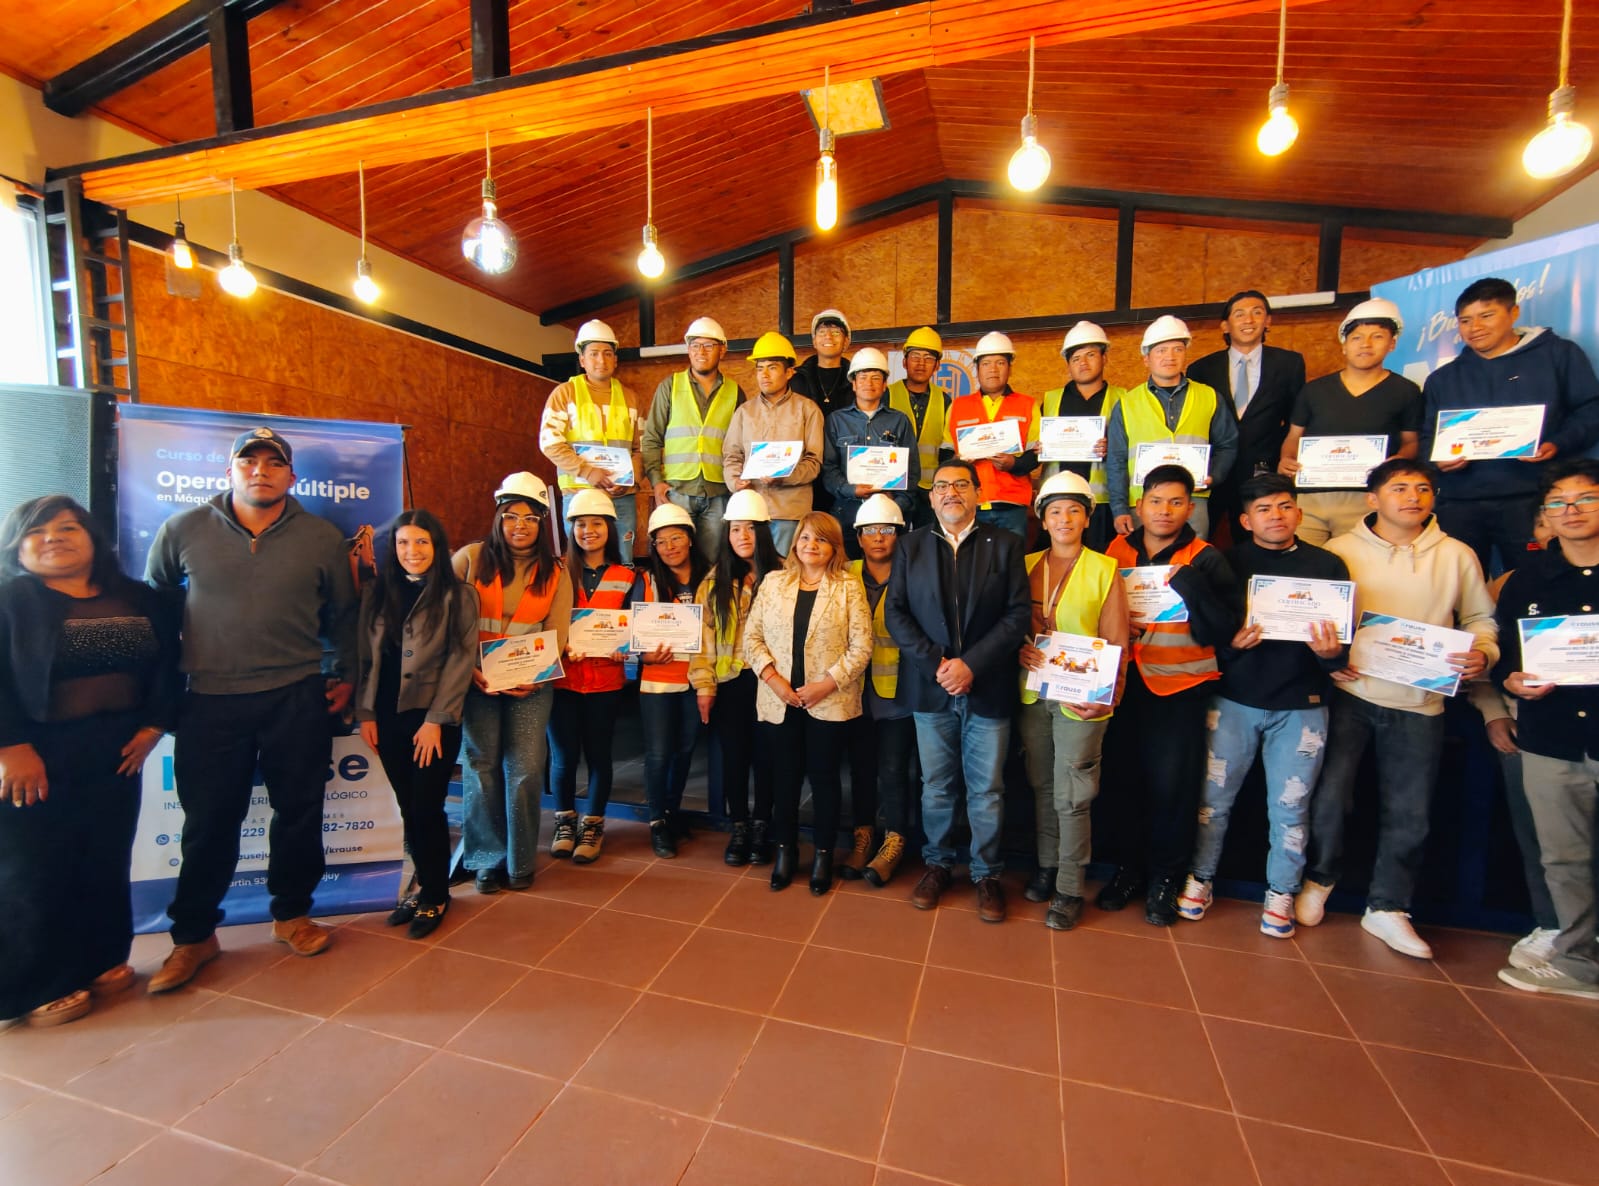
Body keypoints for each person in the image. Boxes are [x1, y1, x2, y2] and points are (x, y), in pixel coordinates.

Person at [146, 427, 358, 993]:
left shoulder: (322, 538)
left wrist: (345, 676)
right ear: (229, 472)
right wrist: (160, 696)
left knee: (299, 812)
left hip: (296, 694)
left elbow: (344, 615)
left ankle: (292, 915)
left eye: (273, 462)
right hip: (208, 700)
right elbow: (155, 609)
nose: (260, 470)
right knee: (209, 822)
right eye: (248, 461)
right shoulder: (182, 530)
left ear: (292, 476)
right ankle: (194, 936)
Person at [1297, 459, 1497, 959]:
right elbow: (1316, 620)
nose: (1413, 497)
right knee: (1330, 798)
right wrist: (1328, 661)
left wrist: (1484, 652)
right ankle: (1320, 878)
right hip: (1351, 694)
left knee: (1410, 811)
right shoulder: (1339, 552)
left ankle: (1388, 906)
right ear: (1373, 499)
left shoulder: (1456, 555)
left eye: (1423, 489)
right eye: (1400, 488)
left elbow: (1480, 617)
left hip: (1422, 701)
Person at [0, 497, 179, 1024]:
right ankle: (37, 986)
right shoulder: (11, 600)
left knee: (104, 855)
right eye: (37, 532)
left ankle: (100, 958)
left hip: (117, 748)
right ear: (17, 547)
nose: (53, 538)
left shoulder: (137, 597)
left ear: (92, 537)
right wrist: (10, 746)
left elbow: (169, 665)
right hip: (36, 751)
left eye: (67, 527)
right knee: (35, 867)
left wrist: (153, 726)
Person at [1174, 475, 1349, 940]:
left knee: (1291, 807)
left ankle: (1281, 891)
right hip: (1234, 700)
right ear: (1246, 520)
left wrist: (1332, 654)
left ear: (1299, 513)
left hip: (1303, 706)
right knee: (1212, 803)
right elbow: (1210, 633)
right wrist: (1231, 646)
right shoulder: (1226, 562)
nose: (1276, 516)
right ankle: (1201, 877)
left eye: (1285, 506)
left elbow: (1342, 644)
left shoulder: (1328, 565)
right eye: (1264, 509)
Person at [884, 459, 1030, 922]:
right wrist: (939, 665)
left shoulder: (1006, 545)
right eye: (942, 486)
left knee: (987, 789)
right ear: (931, 498)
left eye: (961, 484)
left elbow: (1017, 615)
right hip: (931, 689)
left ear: (977, 493)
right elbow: (896, 614)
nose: (951, 492)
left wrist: (972, 665)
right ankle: (938, 865)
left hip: (988, 686)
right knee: (937, 786)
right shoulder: (910, 546)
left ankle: (986, 874)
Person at [1098, 465, 1236, 925]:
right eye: (1156, 501)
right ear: (1139, 506)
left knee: (1172, 789)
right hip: (1125, 684)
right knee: (1124, 782)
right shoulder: (1118, 549)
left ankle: (1165, 879)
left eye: (1176, 502)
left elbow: (1224, 630)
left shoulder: (1206, 558)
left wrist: (1191, 587)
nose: (1164, 510)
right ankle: (1128, 870)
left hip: (1179, 689)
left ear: (1190, 508)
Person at [1491, 458, 1599, 997]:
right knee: (1563, 857)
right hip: (1550, 738)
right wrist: (1509, 680)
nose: (1571, 510)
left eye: (1585, 499)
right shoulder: (1526, 580)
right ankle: (1579, 963)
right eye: (1558, 502)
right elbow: (1506, 656)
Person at [1418, 277, 1599, 577]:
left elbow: (1591, 411)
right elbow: (1426, 438)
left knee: (1540, 580)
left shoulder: (1558, 355)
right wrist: (1437, 460)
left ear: (1513, 313)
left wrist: (1557, 443)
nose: (1475, 327)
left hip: (1532, 497)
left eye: (1486, 315)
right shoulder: (1442, 379)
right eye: (1465, 320)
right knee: (1457, 585)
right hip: (1461, 502)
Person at [1015, 473, 1129, 932]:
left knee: (1073, 795)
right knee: (1042, 785)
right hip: (1033, 693)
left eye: (1074, 511)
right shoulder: (1024, 565)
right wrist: (1018, 649)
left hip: (1083, 701)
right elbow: (1008, 624)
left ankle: (1069, 885)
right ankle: (1047, 865)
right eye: (1055, 511)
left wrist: (1106, 699)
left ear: (1086, 518)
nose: (1064, 519)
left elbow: (1117, 641)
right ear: (1043, 520)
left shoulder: (1104, 569)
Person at [356, 510, 478, 939]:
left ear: (437, 546)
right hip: (386, 716)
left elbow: (461, 660)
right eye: (404, 542)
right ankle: (424, 883)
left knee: (427, 806)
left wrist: (436, 720)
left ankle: (436, 895)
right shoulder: (376, 593)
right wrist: (366, 714)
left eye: (422, 542)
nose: (412, 551)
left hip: (433, 719)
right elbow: (367, 657)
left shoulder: (458, 594)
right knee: (408, 806)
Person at [453, 472, 573, 894]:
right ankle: (487, 859)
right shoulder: (469, 559)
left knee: (524, 769)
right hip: (477, 682)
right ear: (498, 518)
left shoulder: (555, 572)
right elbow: (444, 621)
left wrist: (531, 678)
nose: (520, 526)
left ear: (542, 522)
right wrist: (470, 670)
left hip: (530, 687)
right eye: (511, 516)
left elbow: (557, 633)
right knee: (481, 766)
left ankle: (520, 861)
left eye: (530, 518)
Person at [743, 512, 872, 894]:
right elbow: (752, 638)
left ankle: (823, 855)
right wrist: (774, 680)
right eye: (804, 538)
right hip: (780, 699)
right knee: (784, 778)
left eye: (821, 539)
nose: (810, 545)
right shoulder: (773, 582)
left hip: (828, 701)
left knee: (824, 779)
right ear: (795, 542)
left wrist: (825, 685)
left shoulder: (848, 586)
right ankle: (785, 852)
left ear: (834, 547)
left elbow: (861, 646)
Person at [1278, 298, 1423, 545]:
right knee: (1305, 561)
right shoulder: (1314, 390)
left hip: (1367, 498)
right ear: (1344, 345)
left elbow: (1411, 441)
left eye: (1377, 337)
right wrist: (1286, 459)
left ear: (1392, 343)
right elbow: (1293, 436)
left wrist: (1399, 459)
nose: (1366, 344)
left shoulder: (1406, 391)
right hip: (1310, 498)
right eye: (1356, 338)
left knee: (1359, 564)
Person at [690, 489, 782, 866]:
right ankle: (739, 826)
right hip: (730, 684)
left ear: (764, 531)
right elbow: (703, 640)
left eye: (750, 528)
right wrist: (704, 686)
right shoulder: (714, 582)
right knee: (734, 758)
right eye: (735, 529)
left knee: (767, 758)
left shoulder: (784, 576)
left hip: (771, 684)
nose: (742, 536)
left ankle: (762, 826)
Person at [547, 489, 634, 865]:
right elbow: (543, 621)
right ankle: (565, 822)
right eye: (580, 524)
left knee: (599, 755)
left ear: (609, 528)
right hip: (563, 681)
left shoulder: (627, 576)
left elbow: (633, 626)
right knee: (564, 757)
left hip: (604, 682)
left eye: (596, 523)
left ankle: (593, 825)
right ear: (571, 529)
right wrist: (560, 645)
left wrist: (624, 647)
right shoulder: (555, 571)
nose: (588, 531)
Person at [843, 494, 919, 886]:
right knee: (861, 767)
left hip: (898, 693)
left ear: (899, 535)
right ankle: (863, 836)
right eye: (869, 530)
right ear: (858, 537)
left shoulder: (913, 574)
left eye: (886, 529)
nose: (878, 537)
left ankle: (894, 841)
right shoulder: (845, 573)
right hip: (852, 692)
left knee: (893, 769)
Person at [1106, 315, 1239, 541]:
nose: (1170, 356)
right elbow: (1116, 460)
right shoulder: (1127, 403)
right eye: (1161, 350)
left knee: (1193, 559)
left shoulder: (1209, 397)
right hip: (1144, 502)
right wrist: (1119, 509)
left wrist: (1214, 476)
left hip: (1192, 501)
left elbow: (1228, 444)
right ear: (1146, 359)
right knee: (1147, 560)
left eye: (1177, 349)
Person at [1188, 290, 1307, 528]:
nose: (1249, 320)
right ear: (1225, 325)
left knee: (1260, 536)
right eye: (1239, 314)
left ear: (1268, 321)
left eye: (1257, 312)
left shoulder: (1289, 364)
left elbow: (1297, 419)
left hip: (1264, 471)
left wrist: (1287, 458)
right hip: (1212, 473)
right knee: (1200, 535)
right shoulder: (1201, 369)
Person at [633, 502, 711, 857]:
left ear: (690, 539)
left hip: (695, 679)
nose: (669, 547)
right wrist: (643, 655)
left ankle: (672, 812)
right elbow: (631, 630)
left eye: (676, 538)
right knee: (659, 753)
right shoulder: (647, 581)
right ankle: (657, 821)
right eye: (661, 542)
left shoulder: (711, 578)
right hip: (658, 682)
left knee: (683, 751)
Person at [641, 316, 745, 562]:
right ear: (688, 349)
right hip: (677, 491)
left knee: (713, 562)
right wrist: (656, 481)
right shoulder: (670, 386)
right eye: (695, 345)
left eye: (708, 345)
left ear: (722, 350)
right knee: (675, 559)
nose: (701, 351)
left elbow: (742, 444)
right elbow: (652, 438)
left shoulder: (735, 392)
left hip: (718, 492)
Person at [538, 319, 645, 558]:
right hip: (580, 495)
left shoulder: (631, 398)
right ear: (582, 360)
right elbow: (550, 443)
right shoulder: (565, 394)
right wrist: (587, 471)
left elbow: (642, 448)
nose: (601, 360)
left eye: (607, 354)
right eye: (594, 354)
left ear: (615, 360)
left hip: (621, 498)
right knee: (583, 565)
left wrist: (631, 480)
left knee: (622, 564)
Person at [722, 331, 825, 555]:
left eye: (772, 367)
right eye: (760, 368)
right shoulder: (744, 412)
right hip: (750, 511)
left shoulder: (808, 410)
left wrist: (784, 476)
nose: (764, 375)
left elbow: (813, 462)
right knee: (753, 571)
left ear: (789, 372)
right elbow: (732, 455)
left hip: (790, 513)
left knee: (785, 571)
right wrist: (735, 481)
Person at [943, 331, 1040, 539]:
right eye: (986, 363)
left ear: (1010, 367)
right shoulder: (958, 406)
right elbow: (944, 454)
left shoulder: (1027, 405)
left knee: (1011, 559)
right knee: (970, 559)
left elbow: (1036, 455)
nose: (993, 369)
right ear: (977, 368)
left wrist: (1014, 464)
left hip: (1012, 505)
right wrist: (957, 462)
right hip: (969, 503)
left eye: (1000, 363)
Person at [821, 346, 920, 553]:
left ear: (884, 385)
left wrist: (895, 504)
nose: (869, 383)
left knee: (891, 570)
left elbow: (912, 473)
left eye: (876, 378)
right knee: (850, 568)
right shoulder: (836, 421)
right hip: (847, 515)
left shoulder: (899, 421)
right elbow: (828, 469)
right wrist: (852, 490)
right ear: (853, 384)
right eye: (863, 377)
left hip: (890, 520)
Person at [1041, 321, 1123, 552]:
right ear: (1068, 365)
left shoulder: (1123, 399)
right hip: (1059, 501)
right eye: (1076, 358)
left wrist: (1113, 447)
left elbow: (1132, 446)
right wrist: (1038, 448)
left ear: (1104, 358)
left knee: (1100, 559)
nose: (1083, 363)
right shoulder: (1050, 400)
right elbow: (1031, 447)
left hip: (1102, 502)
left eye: (1090, 355)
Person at [888, 327, 950, 529]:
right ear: (904, 362)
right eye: (915, 356)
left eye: (928, 358)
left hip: (930, 492)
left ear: (937, 365)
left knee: (929, 543)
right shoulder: (887, 395)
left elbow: (948, 450)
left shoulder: (944, 400)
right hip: (896, 489)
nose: (921, 363)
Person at [791, 308, 855, 420]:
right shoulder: (797, 380)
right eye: (822, 332)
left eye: (836, 332)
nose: (828, 336)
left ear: (846, 342)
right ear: (814, 341)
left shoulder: (856, 381)